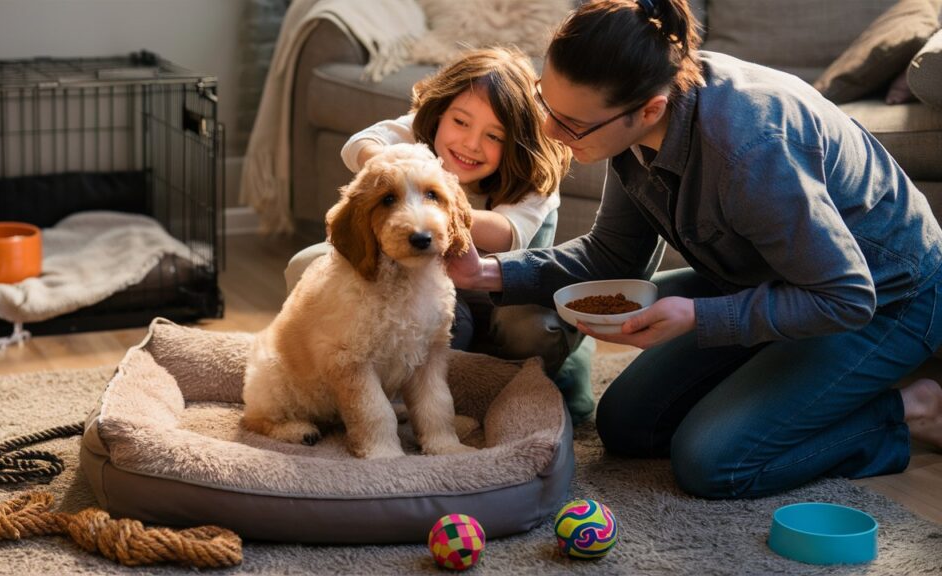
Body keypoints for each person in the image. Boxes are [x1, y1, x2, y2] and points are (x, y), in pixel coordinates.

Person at [448, 0, 942, 499]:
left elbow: (847, 296)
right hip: (759, 277)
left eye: (572, 124)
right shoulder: (633, 124)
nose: (550, 132)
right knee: (628, 427)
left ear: (650, 109)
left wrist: (700, 318)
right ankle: (778, 377)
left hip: (886, 298)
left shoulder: (750, 151)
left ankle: (908, 410)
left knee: (712, 464)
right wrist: (483, 273)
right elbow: (611, 256)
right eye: (545, 104)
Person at [285, 47, 597, 422]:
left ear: (518, 143)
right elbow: (359, 145)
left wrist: (445, 201)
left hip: (505, 296)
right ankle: (426, 386)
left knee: (533, 332)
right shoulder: (420, 134)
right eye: (461, 122)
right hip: (432, 288)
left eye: (494, 136)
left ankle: (563, 365)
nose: (470, 143)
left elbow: (505, 236)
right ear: (439, 114)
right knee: (310, 267)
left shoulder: (535, 173)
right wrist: (399, 168)